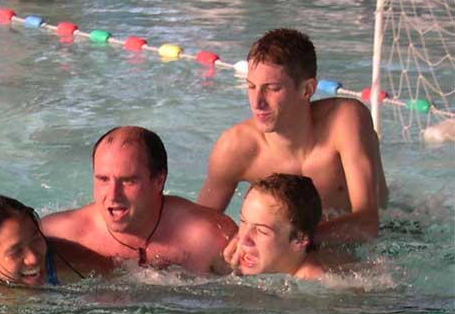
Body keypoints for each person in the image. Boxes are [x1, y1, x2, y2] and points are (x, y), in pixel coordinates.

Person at [197, 28, 388, 248]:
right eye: (251, 86)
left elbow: (368, 224)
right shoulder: (235, 147)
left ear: (307, 89)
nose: (257, 102)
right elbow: (200, 228)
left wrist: (285, 244)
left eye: (272, 88)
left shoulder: (345, 122)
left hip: (383, 237)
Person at [41, 126, 236, 275]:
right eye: (103, 179)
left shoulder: (210, 239)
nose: (113, 195)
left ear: (158, 181)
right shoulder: (56, 235)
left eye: (128, 181)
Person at [226, 173, 325, 279]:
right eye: (243, 221)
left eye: (261, 231)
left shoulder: (315, 284)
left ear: (299, 239)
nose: (243, 240)